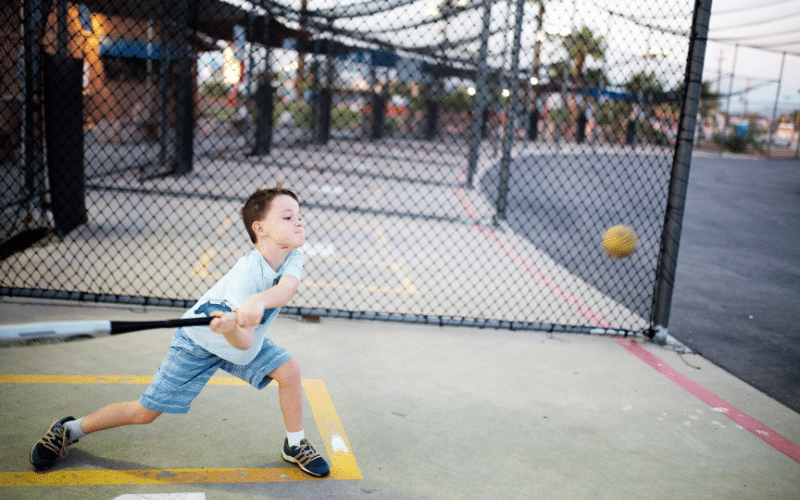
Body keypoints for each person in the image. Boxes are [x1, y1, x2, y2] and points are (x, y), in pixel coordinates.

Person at [29, 186, 330, 477]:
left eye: (299, 215)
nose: (299, 222)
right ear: (260, 228)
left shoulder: (292, 254)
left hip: (241, 341)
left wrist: (258, 301)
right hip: (197, 344)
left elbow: (287, 288)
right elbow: (242, 341)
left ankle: (294, 444)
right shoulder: (246, 275)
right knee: (143, 414)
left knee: (289, 371)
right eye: (287, 217)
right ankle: (69, 430)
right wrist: (229, 329)